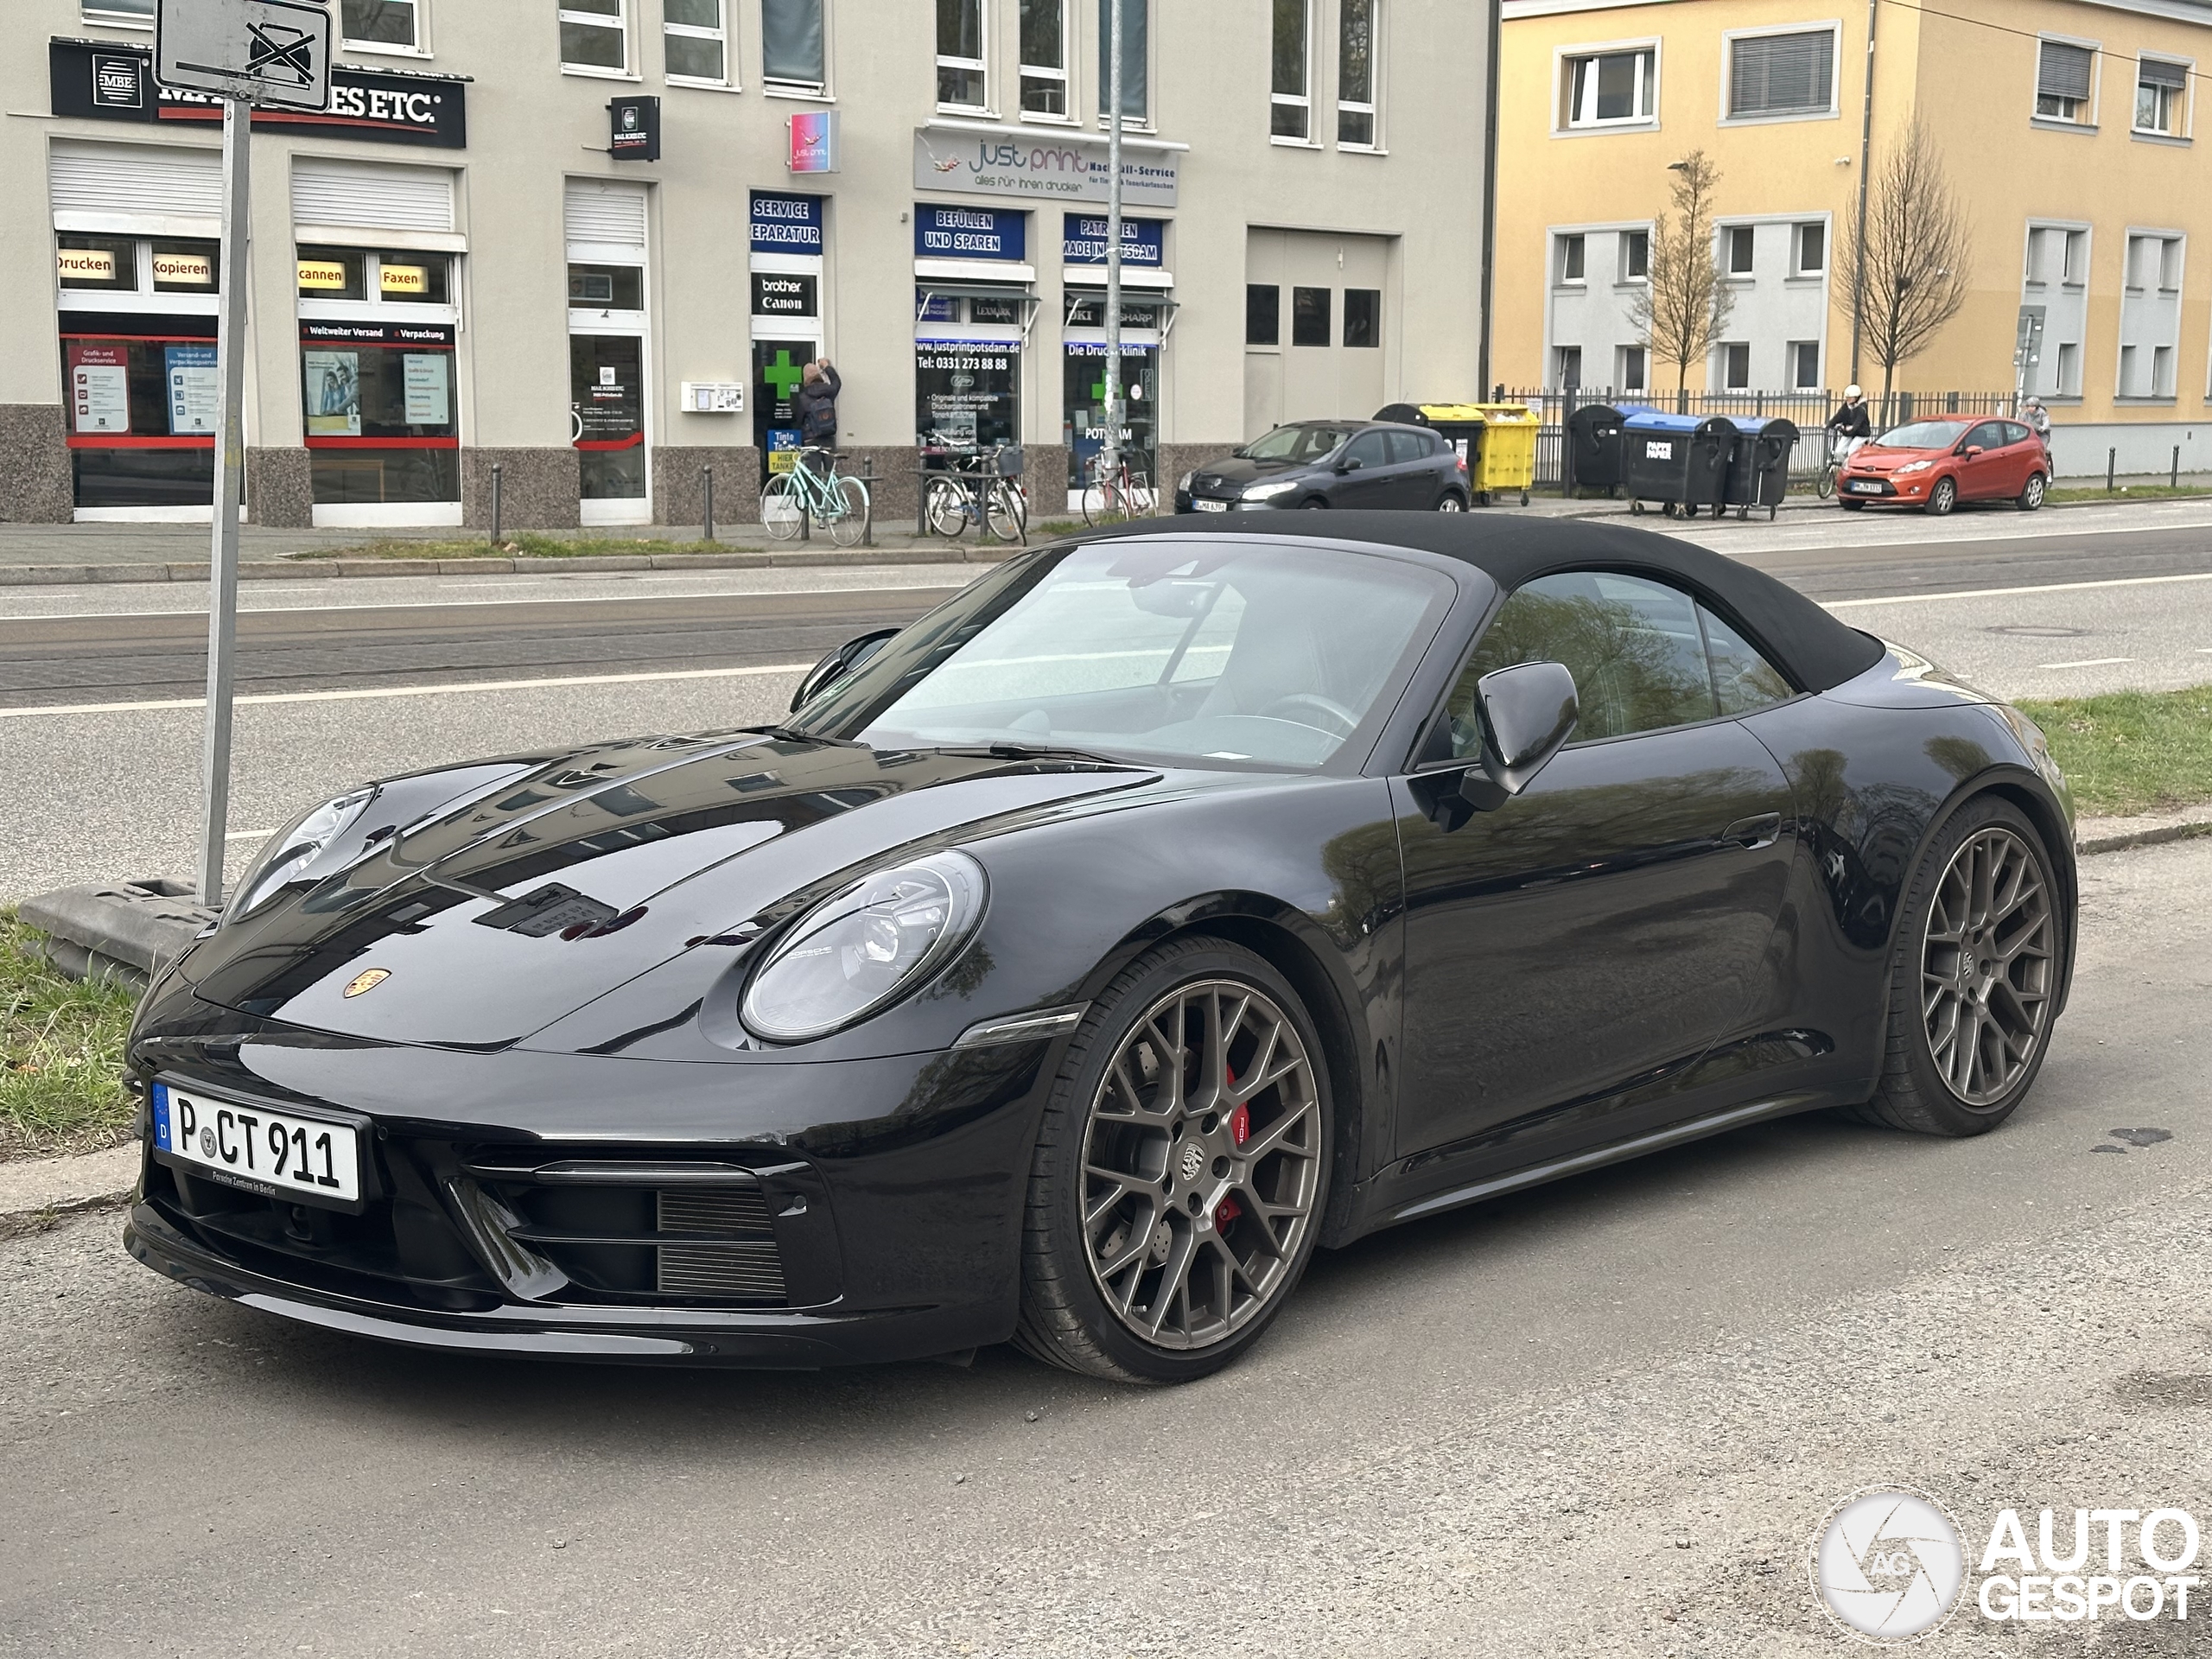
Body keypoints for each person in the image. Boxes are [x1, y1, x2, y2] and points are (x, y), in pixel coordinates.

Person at [795, 358, 840, 456]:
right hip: (828, 437)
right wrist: (826, 366)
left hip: (810, 439)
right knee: (830, 465)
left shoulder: (803, 397)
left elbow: (799, 420)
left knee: (812, 466)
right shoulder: (829, 391)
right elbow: (837, 382)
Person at [1826, 385, 1872, 464]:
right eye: (1847, 397)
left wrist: (1853, 427)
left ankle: (1853, 467)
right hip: (1849, 433)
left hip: (1861, 434)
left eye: (1850, 398)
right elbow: (1839, 416)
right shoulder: (1847, 406)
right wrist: (1828, 425)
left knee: (1851, 451)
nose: (1848, 399)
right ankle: (1846, 466)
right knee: (1838, 452)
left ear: (1857, 397)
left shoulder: (1862, 408)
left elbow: (1858, 421)